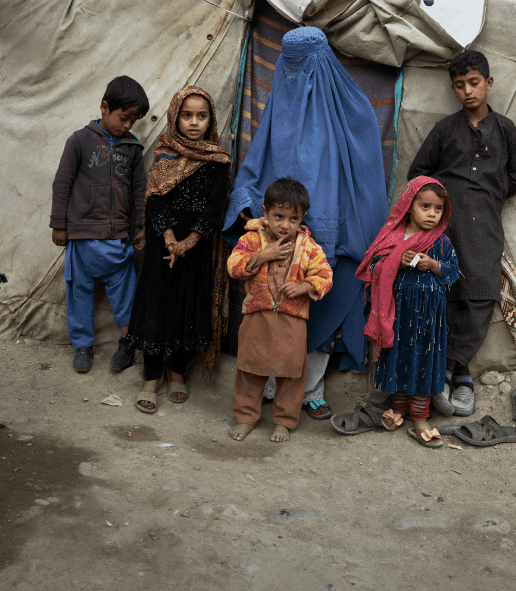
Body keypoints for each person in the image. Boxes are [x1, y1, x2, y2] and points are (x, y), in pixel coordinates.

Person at [222, 26, 388, 422]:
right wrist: (247, 206)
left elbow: (365, 177)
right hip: (276, 236)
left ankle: (310, 390)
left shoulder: (352, 110)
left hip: (333, 235)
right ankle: (267, 387)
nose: (295, 76)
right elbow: (255, 167)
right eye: (289, 66)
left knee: (318, 305)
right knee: (272, 315)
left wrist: (349, 227)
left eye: (303, 67)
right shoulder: (279, 110)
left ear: (323, 65)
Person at [407, 50, 516, 416]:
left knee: (479, 293)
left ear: (488, 83)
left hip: (485, 225)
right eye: (459, 86)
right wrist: (441, 201)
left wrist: (488, 193)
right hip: (445, 225)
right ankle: (461, 377)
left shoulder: (505, 130)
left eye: (474, 83)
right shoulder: (445, 129)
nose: (468, 91)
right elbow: (418, 172)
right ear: (453, 89)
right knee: (443, 291)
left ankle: (449, 368)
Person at [127, 88, 231, 412]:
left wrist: (188, 243)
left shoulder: (217, 161)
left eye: (202, 116)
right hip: (161, 246)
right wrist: (171, 240)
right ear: (175, 117)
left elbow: (214, 209)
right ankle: (150, 377)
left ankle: (177, 373)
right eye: (187, 115)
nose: (194, 122)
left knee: (189, 308)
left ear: (211, 120)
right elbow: (155, 199)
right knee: (156, 308)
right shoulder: (164, 152)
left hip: (196, 251)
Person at [50, 76, 149, 373]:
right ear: (105, 107)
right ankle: (83, 345)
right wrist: (59, 224)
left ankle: (127, 342)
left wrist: (139, 227)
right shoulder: (79, 141)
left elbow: (139, 191)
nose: (128, 125)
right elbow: (62, 184)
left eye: (134, 121)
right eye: (124, 117)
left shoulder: (132, 148)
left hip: (117, 235)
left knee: (125, 290)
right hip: (81, 234)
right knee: (79, 291)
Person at [227, 178, 333, 443]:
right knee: (250, 369)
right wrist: (263, 255)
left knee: (291, 373)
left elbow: (325, 275)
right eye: (278, 216)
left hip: (292, 321)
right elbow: (233, 266)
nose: (285, 225)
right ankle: (245, 417)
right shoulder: (252, 239)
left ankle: (284, 422)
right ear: (265, 212)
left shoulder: (308, 246)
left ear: (302, 217)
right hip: (257, 316)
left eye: (293, 219)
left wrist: (304, 286)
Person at [359, 177, 459, 447]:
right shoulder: (392, 238)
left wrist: (434, 265)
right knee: (399, 356)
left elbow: (453, 272)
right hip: (399, 315)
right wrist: (397, 263)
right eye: (425, 206)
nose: (432, 214)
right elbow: (372, 269)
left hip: (429, 318)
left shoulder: (441, 243)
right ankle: (399, 407)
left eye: (438, 208)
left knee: (424, 359)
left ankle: (420, 416)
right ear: (408, 206)